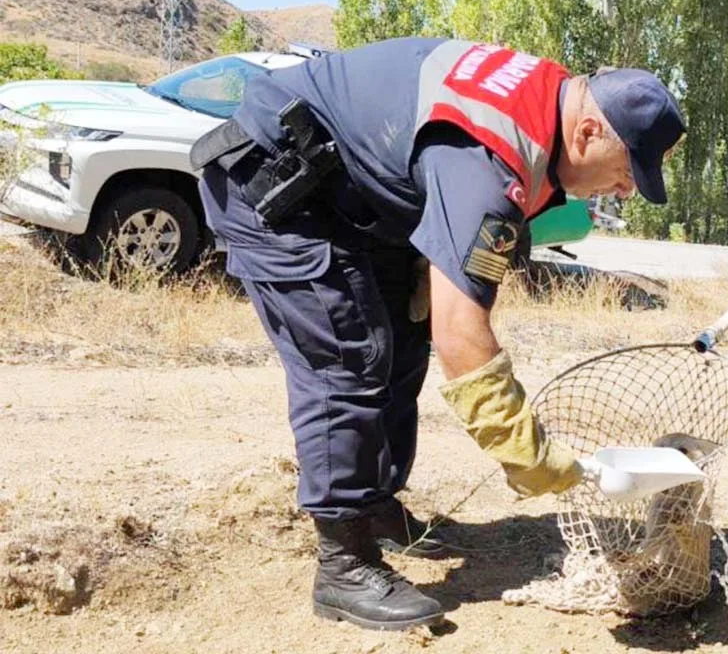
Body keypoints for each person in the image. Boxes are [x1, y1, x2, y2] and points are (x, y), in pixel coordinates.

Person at [191, 38, 686, 630]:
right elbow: (464, 339)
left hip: (352, 197)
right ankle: (343, 563)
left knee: (405, 334)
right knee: (348, 360)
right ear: (587, 135)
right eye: (628, 173)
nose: (625, 192)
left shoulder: (549, 103)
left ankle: (375, 507)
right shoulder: (495, 156)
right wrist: (526, 451)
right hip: (276, 187)